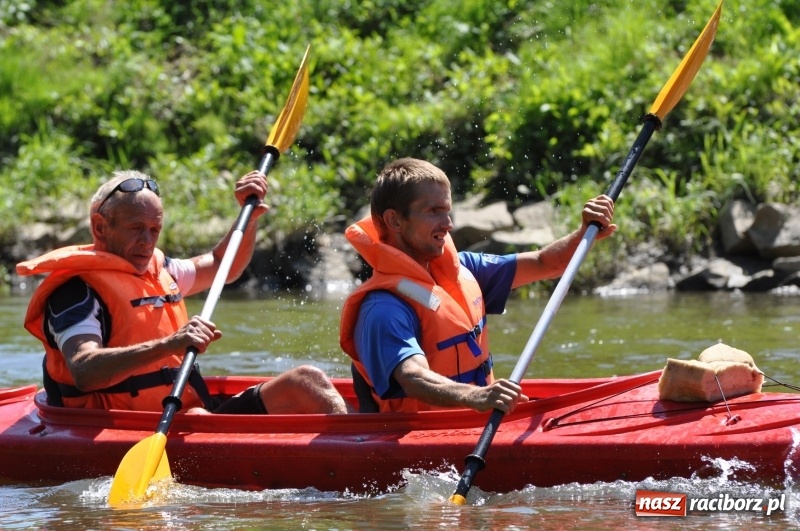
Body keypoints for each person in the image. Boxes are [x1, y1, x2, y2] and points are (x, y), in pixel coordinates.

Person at [17, 169, 349, 415]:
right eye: (136, 229)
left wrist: (248, 218)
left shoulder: (160, 270)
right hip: (117, 427)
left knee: (307, 381)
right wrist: (171, 343)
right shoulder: (77, 291)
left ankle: (354, 455)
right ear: (101, 227)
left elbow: (222, 265)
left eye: (154, 230)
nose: (147, 242)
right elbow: (85, 370)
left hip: (183, 414)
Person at [339, 158, 617, 413]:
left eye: (448, 211)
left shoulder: (465, 268)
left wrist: (584, 233)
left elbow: (546, 263)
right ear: (394, 220)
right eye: (434, 212)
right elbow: (413, 377)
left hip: (477, 418)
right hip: (423, 438)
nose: (448, 224)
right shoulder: (382, 307)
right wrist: (475, 397)